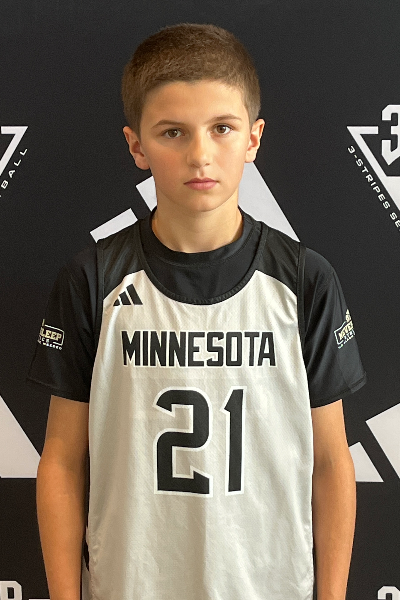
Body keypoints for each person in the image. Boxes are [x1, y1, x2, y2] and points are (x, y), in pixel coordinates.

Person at [28, 22, 366, 600]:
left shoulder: (304, 279)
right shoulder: (93, 279)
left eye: (222, 128)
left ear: (253, 139)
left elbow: (331, 462)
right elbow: (61, 460)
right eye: (173, 132)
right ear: (137, 146)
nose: (200, 154)